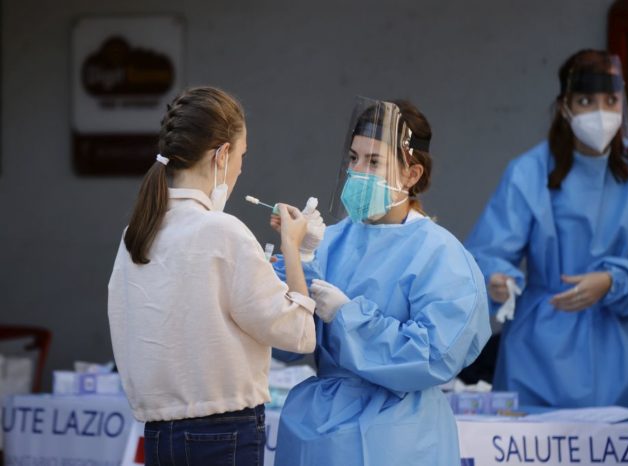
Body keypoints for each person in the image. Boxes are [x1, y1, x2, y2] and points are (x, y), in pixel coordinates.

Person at [465, 49, 628, 466]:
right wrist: (498, 277)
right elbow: (485, 252)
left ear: (623, 102)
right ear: (565, 107)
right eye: (586, 101)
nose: (600, 113)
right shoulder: (529, 172)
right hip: (541, 354)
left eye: (610, 101)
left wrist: (614, 281)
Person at [270, 97, 491, 466]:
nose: (358, 171)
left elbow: (433, 356)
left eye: (374, 162)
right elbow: (285, 343)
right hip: (318, 436)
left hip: (402, 438)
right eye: (354, 159)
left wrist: (348, 317)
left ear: (412, 174)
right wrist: (299, 259)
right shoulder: (329, 241)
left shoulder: (442, 257)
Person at [107, 86, 317, 466]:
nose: (240, 168)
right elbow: (299, 333)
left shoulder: (136, 232)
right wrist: (295, 248)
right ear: (221, 154)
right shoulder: (223, 231)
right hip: (224, 431)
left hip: (158, 431)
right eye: (241, 156)